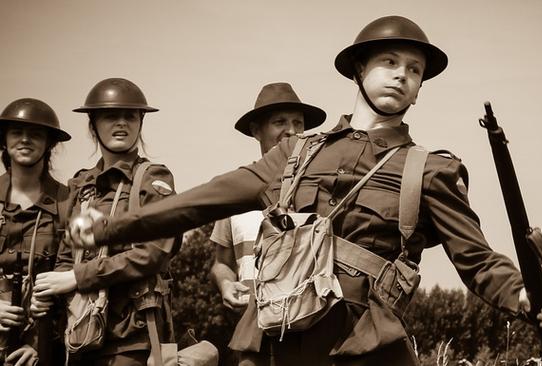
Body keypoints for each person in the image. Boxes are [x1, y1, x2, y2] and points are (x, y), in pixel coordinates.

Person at [67, 16, 542, 366]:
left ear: (420, 88)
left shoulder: (429, 170)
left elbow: (478, 260)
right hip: (271, 344)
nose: (402, 75)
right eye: (390, 62)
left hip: (365, 348)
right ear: (359, 70)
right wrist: (111, 226)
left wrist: (527, 294)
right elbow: (201, 201)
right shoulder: (296, 152)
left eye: (414, 70)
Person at [31, 78, 181, 365]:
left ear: (140, 123)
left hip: (132, 338)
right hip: (78, 333)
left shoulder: (152, 179)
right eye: (111, 116)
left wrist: (77, 277)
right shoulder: (81, 184)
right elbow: (67, 254)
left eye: (130, 116)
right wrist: (49, 291)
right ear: (93, 125)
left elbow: (154, 253)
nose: (121, 123)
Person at [209, 82, 326, 312]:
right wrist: (225, 284)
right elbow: (222, 263)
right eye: (279, 122)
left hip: (312, 324)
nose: (291, 131)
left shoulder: (322, 186)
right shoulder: (236, 190)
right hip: (251, 323)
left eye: (297, 123)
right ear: (256, 131)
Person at [0, 98, 71, 366]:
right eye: (17, 132)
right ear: (4, 141)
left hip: (41, 345)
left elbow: (76, 278)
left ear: (49, 143)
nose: (25, 140)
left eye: (36, 134)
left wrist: (40, 344)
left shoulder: (68, 201)